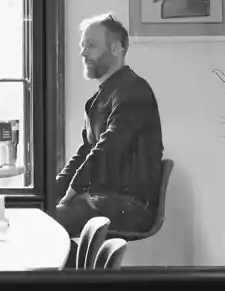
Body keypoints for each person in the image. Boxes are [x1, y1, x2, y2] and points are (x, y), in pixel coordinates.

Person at [52, 13, 164, 236]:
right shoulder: (98, 99)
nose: (83, 53)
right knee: (43, 213)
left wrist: (72, 190)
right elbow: (86, 152)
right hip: (104, 199)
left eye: (91, 45)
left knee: (49, 222)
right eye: (82, 46)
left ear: (116, 49)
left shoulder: (134, 91)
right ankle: (77, 270)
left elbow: (108, 148)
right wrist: (53, 189)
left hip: (131, 206)